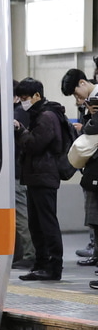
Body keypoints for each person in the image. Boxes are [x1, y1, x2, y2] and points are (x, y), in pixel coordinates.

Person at [14, 78, 67, 281]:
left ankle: (53, 267)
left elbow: (35, 144)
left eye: (25, 97)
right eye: (20, 98)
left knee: (47, 223)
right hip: (36, 176)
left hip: (44, 176)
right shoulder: (39, 114)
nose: (23, 102)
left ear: (37, 95)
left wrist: (20, 130)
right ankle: (41, 264)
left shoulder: (46, 116)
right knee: (36, 225)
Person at [63, 68, 98, 262]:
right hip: (91, 166)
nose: (78, 98)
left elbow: (93, 128)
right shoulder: (89, 103)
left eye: (77, 94)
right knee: (93, 215)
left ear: (83, 83)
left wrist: (85, 125)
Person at [12, 83, 35, 269]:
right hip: (24, 171)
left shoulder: (18, 114)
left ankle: (30, 254)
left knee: (21, 215)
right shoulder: (26, 112)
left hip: (17, 172)